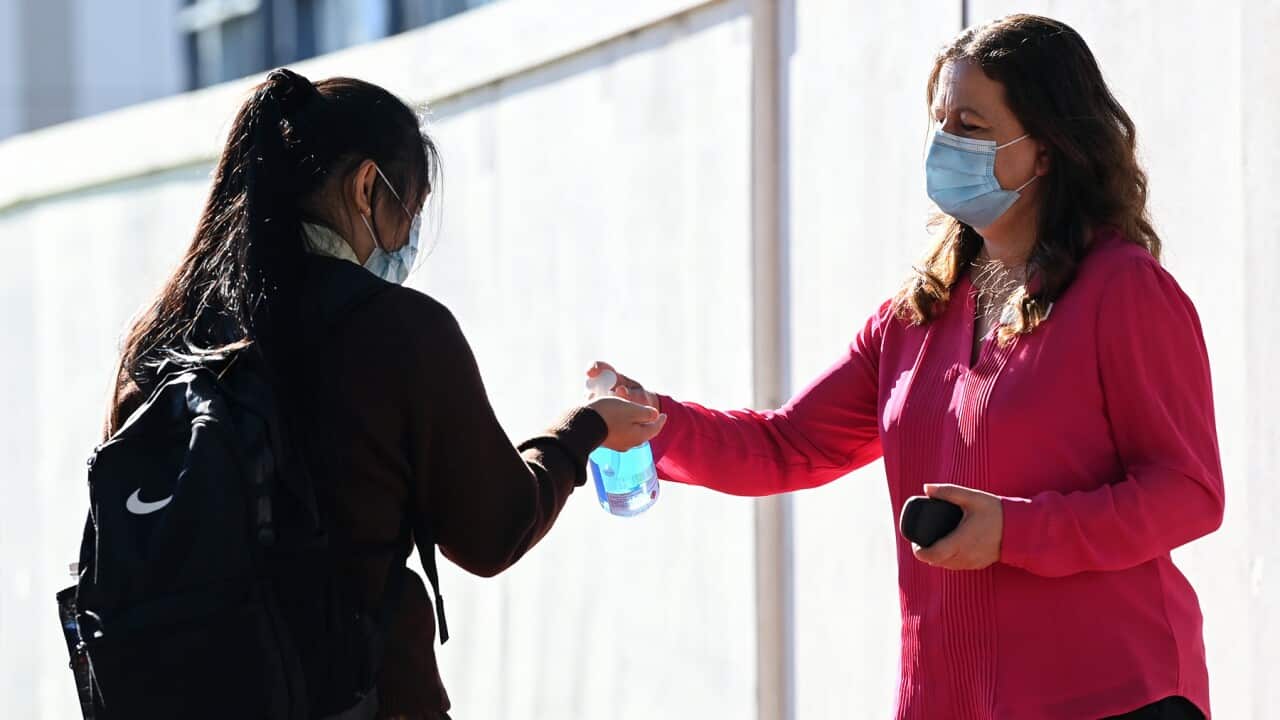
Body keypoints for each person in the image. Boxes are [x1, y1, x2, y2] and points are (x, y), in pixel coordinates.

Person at [591, 15, 1221, 720]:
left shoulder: (1123, 290)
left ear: (1045, 150)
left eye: (971, 125)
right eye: (940, 121)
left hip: (1113, 698)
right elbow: (788, 446)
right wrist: (653, 421)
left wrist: (1016, 532)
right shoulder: (917, 315)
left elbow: (1186, 491)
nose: (946, 142)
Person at [104, 69, 666, 719]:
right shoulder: (395, 329)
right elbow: (492, 532)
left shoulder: (163, 334)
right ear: (368, 187)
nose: (407, 241)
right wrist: (584, 432)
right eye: (411, 211)